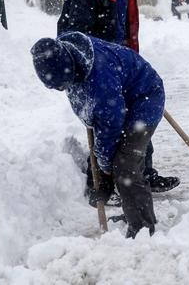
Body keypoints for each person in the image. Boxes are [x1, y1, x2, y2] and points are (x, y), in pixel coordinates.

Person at [57, 0, 179, 202]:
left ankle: (142, 174)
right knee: (110, 121)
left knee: (137, 115)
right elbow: (71, 37)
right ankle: (100, 183)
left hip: (120, 62)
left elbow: (124, 24)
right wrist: (94, 67)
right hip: (95, 69)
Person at [31, 31, 163, 238]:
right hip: (120, 93)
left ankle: (143, 228)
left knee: (125, 165)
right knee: (116, 160)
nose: (62, 90)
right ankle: (133, 213)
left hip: (145, 97)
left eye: (63, 85)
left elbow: (110, 124)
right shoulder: (69, 51)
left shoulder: (101, 80)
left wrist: (104, 166)